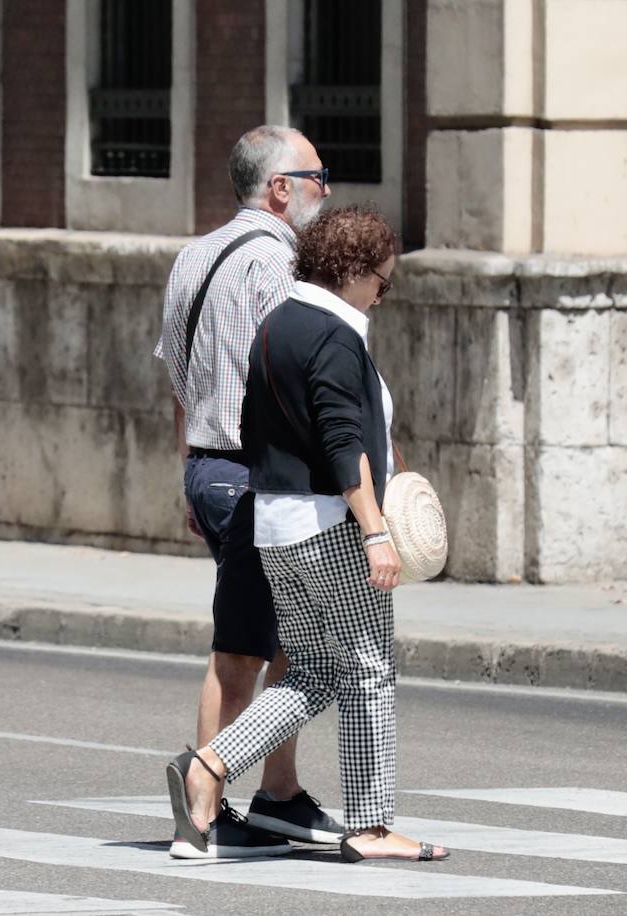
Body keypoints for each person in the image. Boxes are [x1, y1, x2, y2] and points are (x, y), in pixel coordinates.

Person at [166, 206, 450, 863]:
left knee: (316, 671)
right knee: (370, 670)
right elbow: (341, 438)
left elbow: (256, 422)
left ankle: (207, 766)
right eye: (382, 280)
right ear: (350, 272)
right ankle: (373, 827)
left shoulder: (277, 326)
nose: (383, 292)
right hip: (330, 529)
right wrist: (376, 533)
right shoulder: (332, 336)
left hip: (277, 529)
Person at [153, 126, 343, 858]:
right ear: (279, 189)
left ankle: (281, 794)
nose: (325, 190)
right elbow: (295, 379)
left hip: (209, 467)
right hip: (259, 476)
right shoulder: (281, 263)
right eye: (316, 177)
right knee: (240, 647)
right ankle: (206, 809)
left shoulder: (193, 256)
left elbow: (177, 376)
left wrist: (190, 469)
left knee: (288, 635)